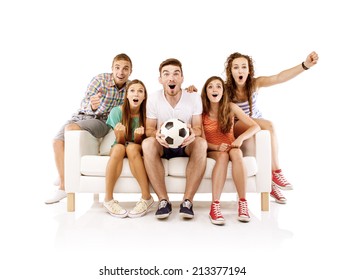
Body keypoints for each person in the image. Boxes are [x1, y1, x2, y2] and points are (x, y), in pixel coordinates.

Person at [224, 51, 319, 204]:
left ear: (249, 70)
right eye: (236, 67)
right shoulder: (225, 88)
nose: (240, 70)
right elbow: (208, 97)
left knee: (262, 144)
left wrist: (305, 65)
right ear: (230, 71)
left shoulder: (255, 84)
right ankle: (276, 171)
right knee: (269, 125)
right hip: (237, 125)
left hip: (255, 125)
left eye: (243, 67)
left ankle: (270, 183)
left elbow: (279, 77)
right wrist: (191, 91)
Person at [45, 53, 133, 204]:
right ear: (112, 69)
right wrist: (92, 105)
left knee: (71, 129)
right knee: (57, 142)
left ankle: (63, 187)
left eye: (125, 69)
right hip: (82, 115)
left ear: (130, 71)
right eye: (117, 68)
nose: (121, 72)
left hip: (101, 121)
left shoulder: (131, 88)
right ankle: (64, 173)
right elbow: (85, 103)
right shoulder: (100, 80)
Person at [142, 58, 208, 220]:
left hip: (185, 145)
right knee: (147, 143)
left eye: (176, 73)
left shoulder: (193, 97)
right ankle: (164, 201)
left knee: (201, 143)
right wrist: (156, 134)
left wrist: (193, 133)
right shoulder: (153, 98)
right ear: (160, 80)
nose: (171, 78)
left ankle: (187, 202)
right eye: (166, 74)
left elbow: (198, 128)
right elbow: (149, 129)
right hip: (162, 145)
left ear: (182, 78)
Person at [201, 76, 260, 225]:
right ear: (206, 92)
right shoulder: (201, 110)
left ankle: (242, 202)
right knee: (222, 156)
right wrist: (216, 147)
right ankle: (215, 206)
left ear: (223, 91)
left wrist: (239, 139)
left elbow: (255, 126)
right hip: (213, 149)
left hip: (230, 146)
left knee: (237, 153)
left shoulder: (231, 107)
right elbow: (201, 142)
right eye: (210, 87)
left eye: (218, 86)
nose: (215, 89)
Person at [103, 79, 153, 218]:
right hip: (120, 144)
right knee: (119, 148)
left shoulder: (148, 114)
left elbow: (140, 144)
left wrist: (138, 138)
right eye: (132, 91)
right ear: (127, 95)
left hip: (136, 148)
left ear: (144, 96)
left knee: (131, 148)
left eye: (140, 91)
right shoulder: (116, 112)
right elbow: (120, 142)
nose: (136, 94)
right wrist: (119, 135)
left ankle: (146, 197)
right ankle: (108, 199)